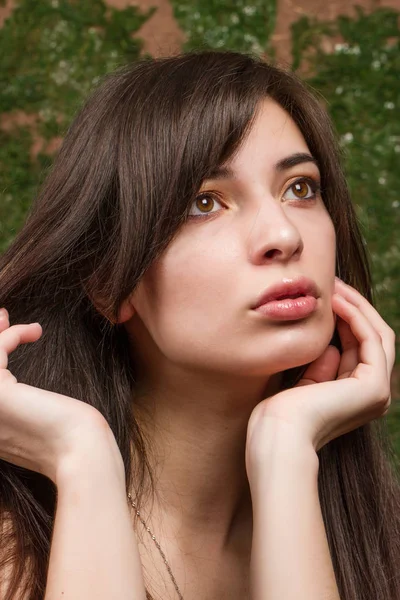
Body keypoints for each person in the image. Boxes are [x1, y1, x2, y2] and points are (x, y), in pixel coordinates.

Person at [0, 49, 398, 600]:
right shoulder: (14, 546)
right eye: (205, 202)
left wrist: (286, 452)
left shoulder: (378, 539)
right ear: (109, 283)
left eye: (300, 188)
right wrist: (80, 456)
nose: (284, 235)